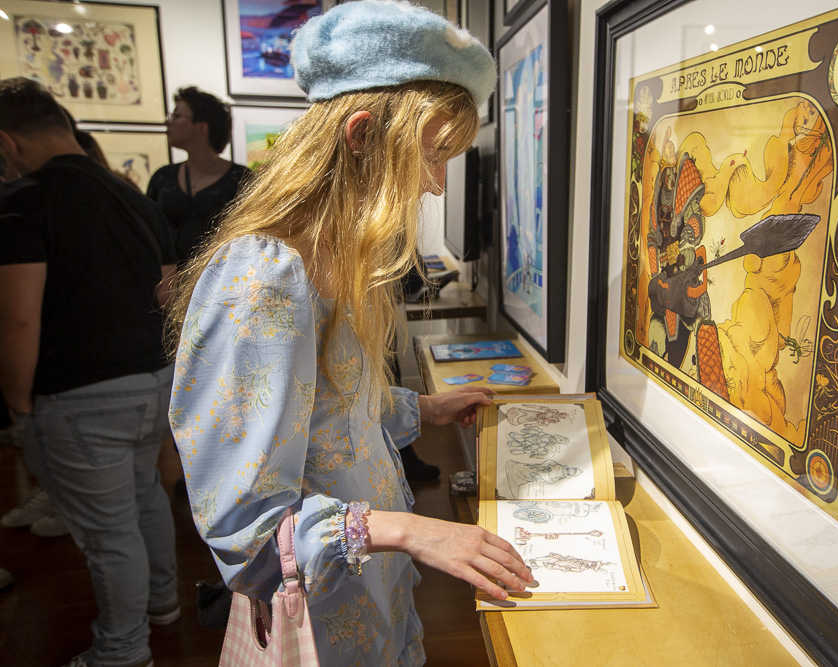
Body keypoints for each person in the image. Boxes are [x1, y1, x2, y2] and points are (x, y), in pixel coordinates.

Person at [166, 3, 533, 664]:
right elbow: (245, 533)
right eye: (432, 154)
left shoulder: (340, 257)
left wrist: (421, 407)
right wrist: (410, 529)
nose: (435, 182)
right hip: (321, 623)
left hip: (368, 596)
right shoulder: (264, 277)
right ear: (361, 135)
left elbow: (328, 414)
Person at [0, 77, 180, 667]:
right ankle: (162, 603)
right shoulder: (135, 196)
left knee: (109, 531)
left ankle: (124, 651)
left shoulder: (26, 201)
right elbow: (169, 294)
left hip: (79, 393)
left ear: (8, 141)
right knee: (144, 497)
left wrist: (18, 406)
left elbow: (18, 321)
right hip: (152, 379)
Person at [147, 86, 250, 267]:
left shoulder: (241, 179)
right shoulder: (163, 178)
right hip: (167, 288)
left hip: (222, 285)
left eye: (177, 116)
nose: (168, 122)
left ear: (201, 127)